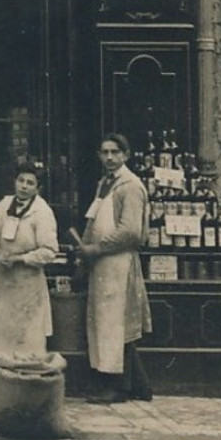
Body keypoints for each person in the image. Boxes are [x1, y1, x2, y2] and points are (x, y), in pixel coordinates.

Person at [73, 133, 154, 403]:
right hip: (101, 265)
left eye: (114, 152)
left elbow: (131, 232)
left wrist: (96, 249)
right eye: (104, 152)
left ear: (125, 155)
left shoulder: (130, 186)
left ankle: (117, 387)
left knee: (114, 324)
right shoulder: (104, 184)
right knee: (106, 323)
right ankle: (139, 385)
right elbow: (93, 220)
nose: (109, 157)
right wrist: (84, 252)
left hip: (118, 264)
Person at [0, 162, 60, 386]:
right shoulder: (4, 205)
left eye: (30, 183)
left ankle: (25, 381)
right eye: (21, 181)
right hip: (2, 281)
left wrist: (21, 259)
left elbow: (49, 251)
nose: (24, 186)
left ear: (38, 188)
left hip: (28, 284)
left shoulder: (43, 212)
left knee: (26, 335)